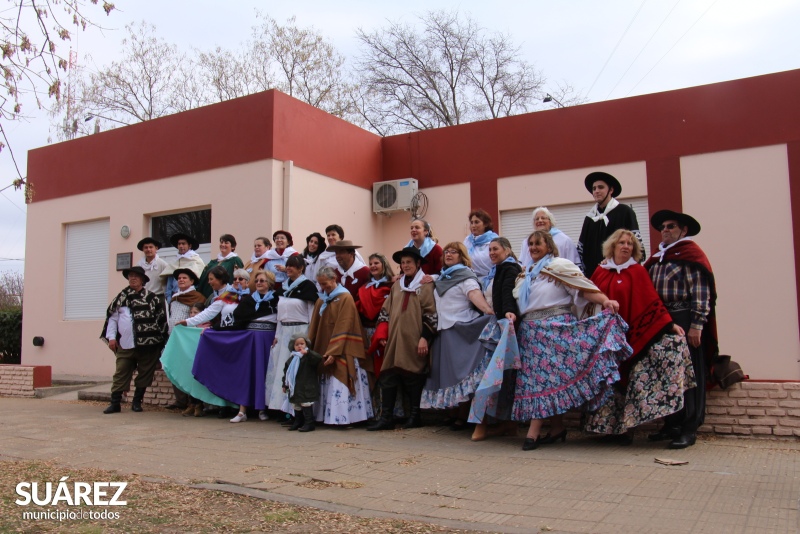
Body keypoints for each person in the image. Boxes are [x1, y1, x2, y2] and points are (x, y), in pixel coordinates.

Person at [511, 230, 631, 450]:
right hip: (530, 333)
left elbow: (583, 289)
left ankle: (533, 432)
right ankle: (557, 428)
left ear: (549, 245)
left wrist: (604, 301)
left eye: (538, 243)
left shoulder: (560, 266)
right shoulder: (526, 274)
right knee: (545, 381)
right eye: (530, 244)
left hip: (555, 330)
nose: (534, 248)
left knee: (543, 380)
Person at [584, 229, 694, 443]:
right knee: (608, 382)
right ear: (613, 246)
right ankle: (607, 430)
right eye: (622, 243)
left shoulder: (637, 271)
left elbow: (650, 300)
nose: (626, 246)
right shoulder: (601, 270)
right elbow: (587, 296)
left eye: (630, 244)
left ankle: (627, 430)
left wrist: (669, 325)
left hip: (629, 335)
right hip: (605, 338)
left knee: (628, 379)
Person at [644, 210, 718, 449]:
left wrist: (697, 325)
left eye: (671, 226)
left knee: (690, 375)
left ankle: (689, 427)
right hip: (662, 320)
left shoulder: (691, 255)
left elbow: (701, 292)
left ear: (683, 231)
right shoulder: (658, 258)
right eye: (663, 227)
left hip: (684, 318)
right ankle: (671, 423)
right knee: (666, 373)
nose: (665, 230)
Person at [421, 241, 494, 429]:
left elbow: (475, 296)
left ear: (462, 256)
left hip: (461, 330)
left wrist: (488, 311)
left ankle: (464, 415)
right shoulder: (443, 277)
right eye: (446, 251)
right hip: (444, 332)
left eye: (454, 252)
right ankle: (453, 412)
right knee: (449, 375)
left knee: (463, 373)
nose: (449, 254)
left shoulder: (466, 277)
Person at [368, 247, 438, 431]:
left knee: (413, 377)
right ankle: (386, 418)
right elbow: (385, 311)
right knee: (388, 376)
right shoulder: (397, 286)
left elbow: (431, 313)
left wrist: (425, 337)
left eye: (409, 262)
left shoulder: (426, 285)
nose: (405, 265)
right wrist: (382, 334)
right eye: (403, 263)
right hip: (394, 340)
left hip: (414, 338)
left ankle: (415, 417)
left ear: (418, 264)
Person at [201, 269, 280, 423]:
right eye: (256, 281)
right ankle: (242, 410)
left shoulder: (276, 300)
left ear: (270, 283)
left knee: (264, 373)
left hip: (268, 339)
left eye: (262, 281)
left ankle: (262, 408)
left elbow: (282, 320)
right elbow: (236, 321)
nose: (258, 283)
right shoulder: (248, 300)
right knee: (248, 372)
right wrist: (214, 330)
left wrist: (278, 336)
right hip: (251, 340)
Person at [470, 236, 522, 442]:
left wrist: (508, 312)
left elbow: (509, 294)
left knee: (487, 375)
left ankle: (481, 423)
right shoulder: (497, 269)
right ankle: (507, 424)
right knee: (502, 376)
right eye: (490, 249)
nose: (492, 253)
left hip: (503, 327)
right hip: (497, 326)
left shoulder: (509, 269)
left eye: (496, 249)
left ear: (507, 250)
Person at [308, 266, 373, 426]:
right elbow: (314, 327)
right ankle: (325, 416)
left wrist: (334, 351)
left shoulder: (345, 298)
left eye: (325, 284)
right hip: (324, 347)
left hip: (344, 348)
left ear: (333, 279)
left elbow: (345, 325)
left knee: (341, 377)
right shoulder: (321, 300)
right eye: (320, 284)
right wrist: (309, 346)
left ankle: (347, 418)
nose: (323, 287)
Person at [100, 266, 167, 414]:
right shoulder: (121, 298)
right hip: (125, 344)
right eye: (130, 276)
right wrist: (111, 337)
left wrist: (161, 342)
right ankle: (115, 403)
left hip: (149, 345)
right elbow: (112, 319)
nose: (133, 278)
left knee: (145, 373)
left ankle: (137, 402)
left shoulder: (152, 298)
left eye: (136, 276)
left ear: (143, 280)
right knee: (121, 372)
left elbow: (161, 321)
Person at [264, 255, 319, 420]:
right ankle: (283, 408)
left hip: (300, 331)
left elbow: (311, 315)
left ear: (301, 268)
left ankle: (299, 412)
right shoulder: (284, 287)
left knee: (298, 372)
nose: (289, 268)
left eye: (293, 266)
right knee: (283, 370)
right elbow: (280, 315)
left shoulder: (308, 286)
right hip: (284, 332)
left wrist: (308, 338)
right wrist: (276, 335)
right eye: (287, 266)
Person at [578, 172, 643, 278]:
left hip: (620, 275)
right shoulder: (590, 218)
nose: (596, 191)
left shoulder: (625, 212)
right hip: (594, 276)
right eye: (594, 188)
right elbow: (581, 249)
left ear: (611, 190)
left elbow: (636, 246)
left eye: (601, 187)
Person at [163, 268, 207, 411]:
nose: (181, 280)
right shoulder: (175, 297)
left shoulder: (197, 297)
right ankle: (180, 400)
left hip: (188, 339)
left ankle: (194, 401)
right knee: (176, 366)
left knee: (189, 368)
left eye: (184, 278)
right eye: (179, 278)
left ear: (192, 281)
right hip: (174, 337)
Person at [282, 333, 325, 432]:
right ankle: (298, 422)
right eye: (297, 344)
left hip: (306, 387)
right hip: (295, 388)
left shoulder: (308, 357)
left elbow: (318, 358)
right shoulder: (292, 359)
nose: (300, 346)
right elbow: (286, 373)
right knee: (296, 405)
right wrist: (284, 384)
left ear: (306, 344)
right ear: (293, 347)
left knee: (306, 404)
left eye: (302, 343)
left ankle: (309, 423)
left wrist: (308, 353)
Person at [161, 232, 206, 305]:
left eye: (183, 243)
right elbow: (169, 286)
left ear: (189, 245)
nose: (181, 246)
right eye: (179, 244)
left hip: (190, 298)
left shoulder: (196, 260)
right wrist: (169, 300)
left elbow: (199, 283)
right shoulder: (174, 262)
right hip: (175, 298)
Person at [463, 209, 499, 278]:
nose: (473, 225)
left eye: (477, 222)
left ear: (485, 224)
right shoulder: (467, 240)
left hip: (491, 278)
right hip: (471, 278)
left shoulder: (494, 240)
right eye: (471, 222)